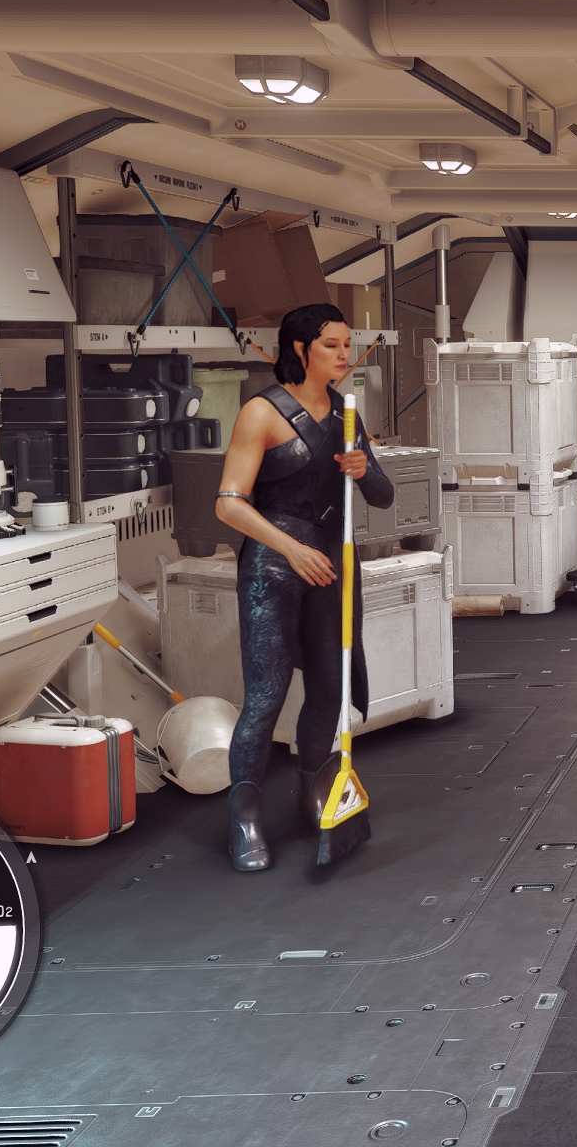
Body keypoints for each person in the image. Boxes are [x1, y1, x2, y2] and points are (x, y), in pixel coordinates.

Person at [211, 303, 396, 871]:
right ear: (300, 349)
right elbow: (228, 504)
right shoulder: (261, 413)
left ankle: (315, 788)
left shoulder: (346, 412)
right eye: (331, 345)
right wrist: (291, 548)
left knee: (328, 687)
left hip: (333, 565)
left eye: (347, 345)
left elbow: (383, 495)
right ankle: (244, 815)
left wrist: (365, 469)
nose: (344, 355)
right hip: (274, 566)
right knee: (265, 696)